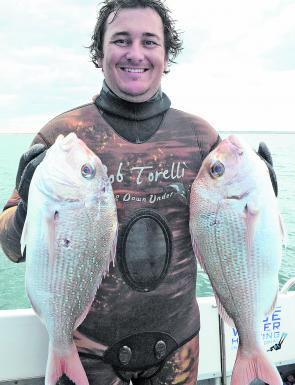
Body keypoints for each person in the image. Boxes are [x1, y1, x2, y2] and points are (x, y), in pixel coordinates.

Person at [0, 1, 277, 384]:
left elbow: (236, 239)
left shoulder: (199, 137)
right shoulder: (62, 137)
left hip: (179, 347)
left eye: (150, 41)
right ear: (100, 52)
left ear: (167, 54)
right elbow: (12, 249)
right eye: (121, 40)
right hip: (85, 352)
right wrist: (29, 204)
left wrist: (264, 200)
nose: (135, 53)